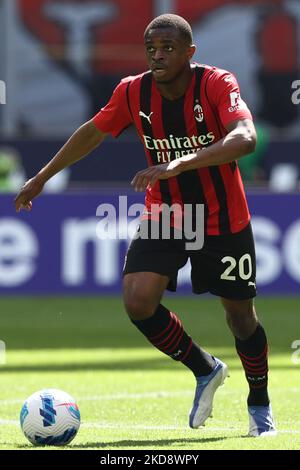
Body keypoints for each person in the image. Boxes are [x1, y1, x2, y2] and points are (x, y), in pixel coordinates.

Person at [14, 14, 276, 437]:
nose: (158, 55)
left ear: (190, 53)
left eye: (168, 48)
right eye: (151, 48)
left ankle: (260, 404)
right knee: (138, 301)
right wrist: (41, 177)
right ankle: (205, 368)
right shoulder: (133, 91)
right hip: (167, 214)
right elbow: (92, 133)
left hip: (222, 217)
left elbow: (245, 137)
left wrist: (183, 161)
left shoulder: (215, 84)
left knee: (240, 317)